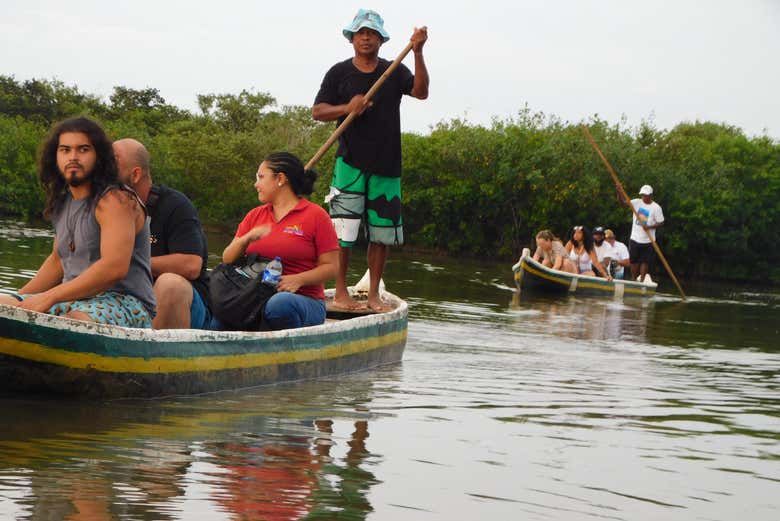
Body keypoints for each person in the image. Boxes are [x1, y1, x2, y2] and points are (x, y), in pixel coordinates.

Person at [312, 9, 429, 312]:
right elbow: (318, 112)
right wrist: (347, 107)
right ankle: (340, 292)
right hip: (349, 165)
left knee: (381, 235)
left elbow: (421, 92)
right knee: (343, 234)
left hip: (387, 166)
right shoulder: (339, 73)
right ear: (352, 38)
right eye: (361, 33)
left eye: (372, 33)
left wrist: (417, 52)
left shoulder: (394, 71)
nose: (366, 37)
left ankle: (374, 294)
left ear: (380, 39)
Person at [0, 117, 155, 326]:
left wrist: (49, 297)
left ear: (99, 156)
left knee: (71, 321)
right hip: (71, 298)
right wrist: (18, 301)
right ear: (55, 157)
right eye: (65, 150)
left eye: (83, 150)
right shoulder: (63, 201)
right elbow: (57, 262)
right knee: (4, 304)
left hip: (124, 303)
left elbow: (114, 267)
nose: (72, 157)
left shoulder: (116, 200)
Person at [222, 152, 339, 330]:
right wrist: (246, 238)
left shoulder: (316, 216)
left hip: (303, 301)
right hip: (255, 297)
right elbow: (227, 259)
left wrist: (298, 280)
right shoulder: (255, 215)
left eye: (261, 177)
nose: (256, 184)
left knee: (280, 304)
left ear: (280, 178)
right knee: (220, 313)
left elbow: (332, 267)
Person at [113, 138, 215, 330]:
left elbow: (191, 265)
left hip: (184, 303)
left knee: (169, 285)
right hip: (124, 299)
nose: (102, 168)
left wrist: (124, 263)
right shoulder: (101, 206)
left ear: (135, 175)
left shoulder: (175, 205)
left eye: (113, 162)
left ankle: (155, 357)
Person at [619, 184, 665, 282]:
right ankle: (634, 279)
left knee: (645, 262)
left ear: (651, 195)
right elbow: (623, 204)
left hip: (648, 240)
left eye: (646, 195)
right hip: (635, 238)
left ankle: (642, 280)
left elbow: (661, 222)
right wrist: (619, 192)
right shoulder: (636, 202)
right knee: (633, 261)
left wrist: (649, 227)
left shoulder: (656, 207)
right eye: (643, 195)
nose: (644, 197)